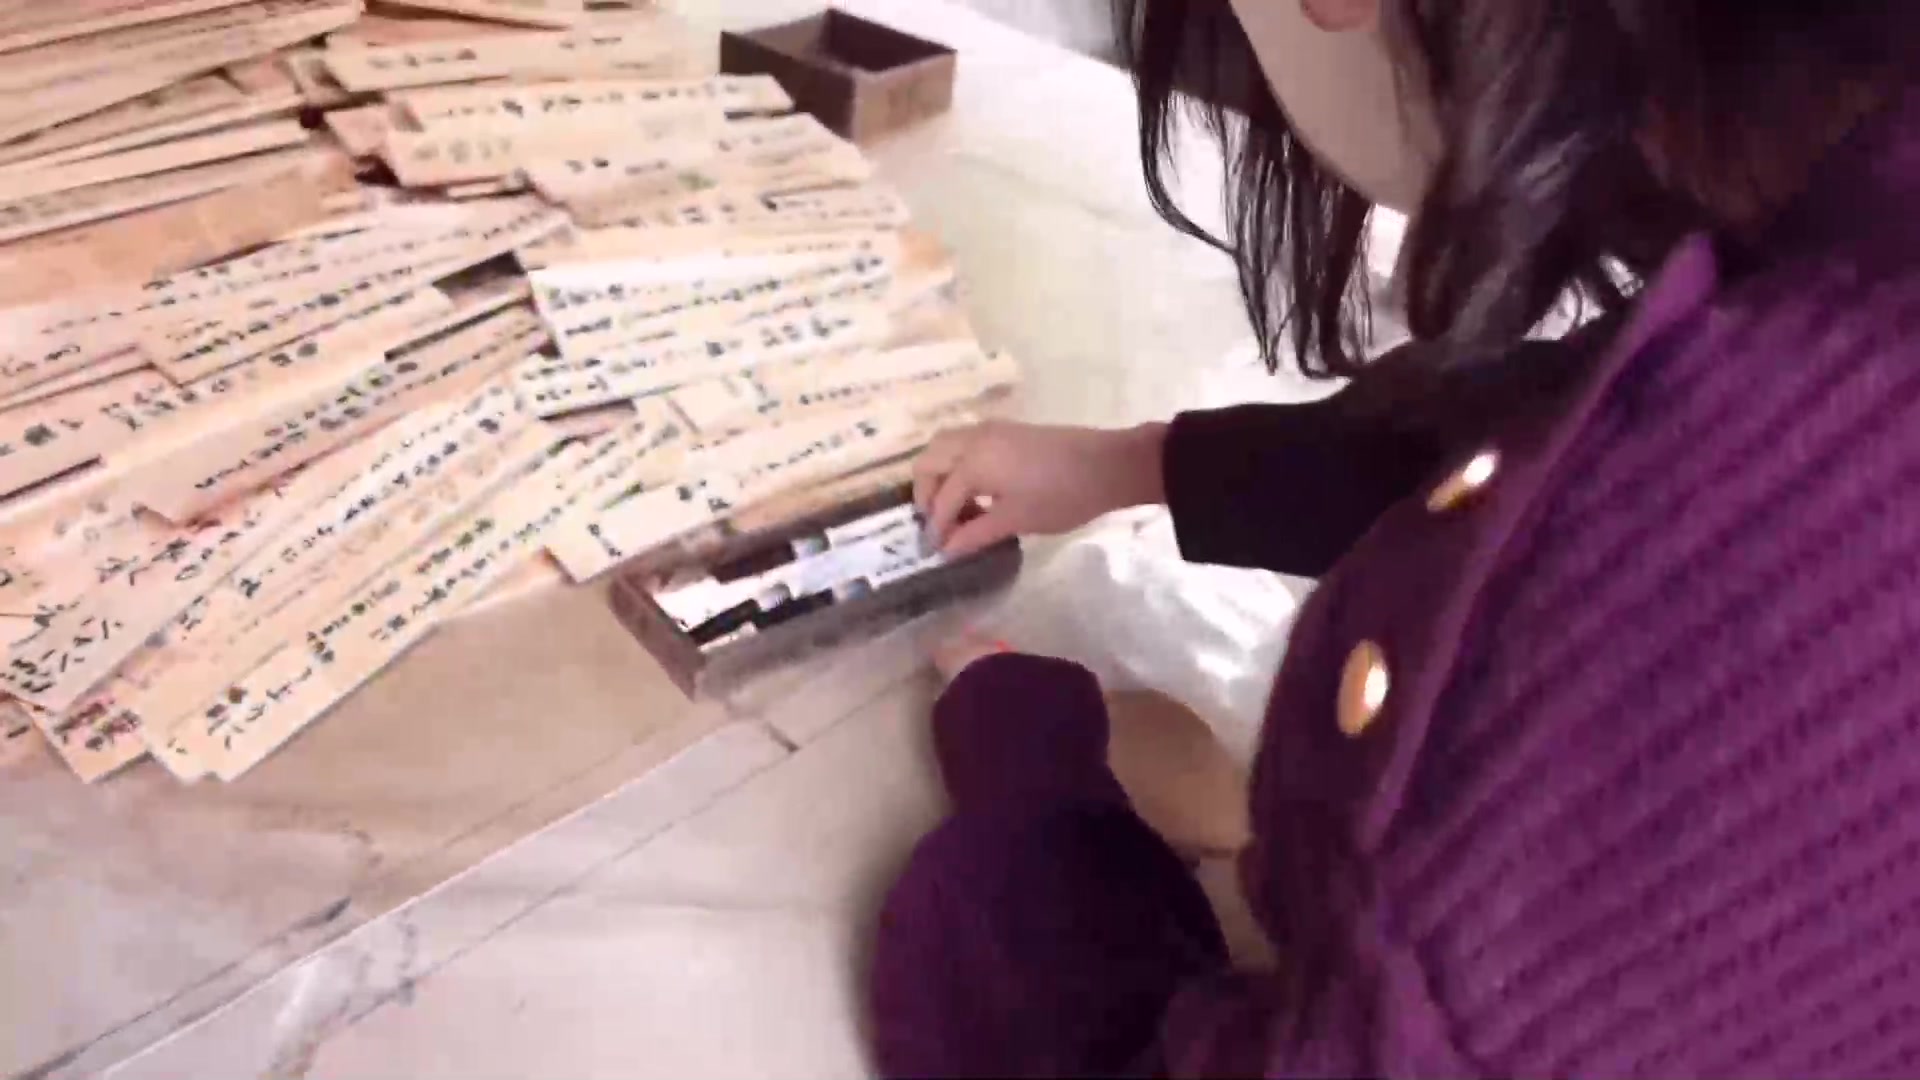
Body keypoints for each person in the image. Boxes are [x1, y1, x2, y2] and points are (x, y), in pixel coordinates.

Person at [868, 0, 1920, 1075]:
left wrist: (1036, 786)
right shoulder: (1840, 214)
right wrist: (1132, 465)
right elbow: (1540, 418)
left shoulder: (1747, 575)